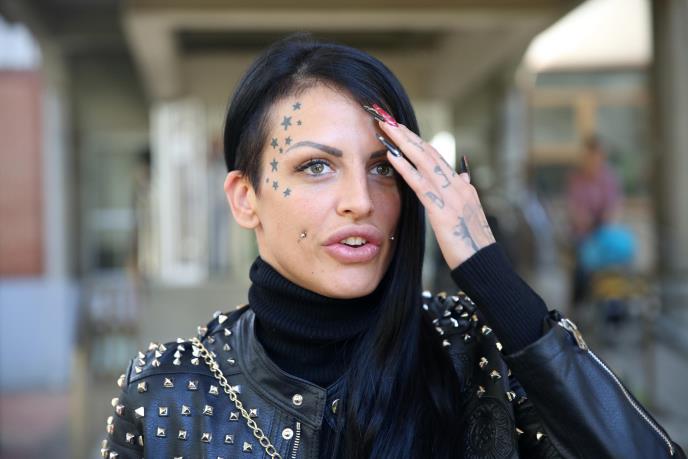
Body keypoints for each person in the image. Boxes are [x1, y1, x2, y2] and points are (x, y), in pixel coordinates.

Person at [100, 34, 684, 459]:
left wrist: (497, 284)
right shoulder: (169, 391)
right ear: (244, 197)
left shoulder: (474, 352)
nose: (360, 201)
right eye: (316, 166)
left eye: (383, 168)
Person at [566, 136, 623, 304]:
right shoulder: (576, 179)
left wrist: (605, 220)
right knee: (582, 266)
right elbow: (575, 211)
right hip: (583, 235)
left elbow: (614, 208)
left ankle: (612, 303)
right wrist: (586, 221)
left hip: (605, 234)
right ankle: (581, 303)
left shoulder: (609, 177)